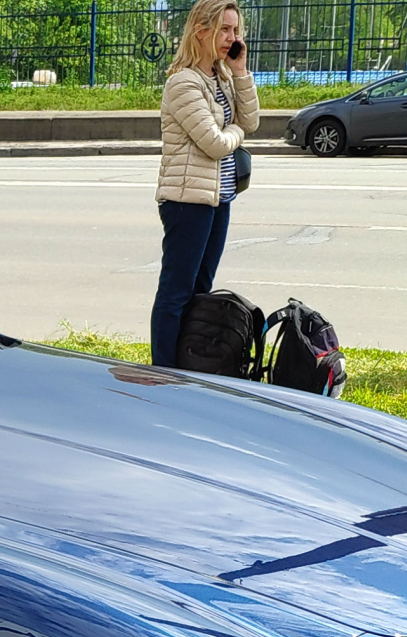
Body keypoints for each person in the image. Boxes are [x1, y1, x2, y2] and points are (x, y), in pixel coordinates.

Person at [149, 0, 259, 369]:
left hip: (218, 197)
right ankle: (164, 370)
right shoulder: (183, 83)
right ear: (202, 32)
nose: (233, 38)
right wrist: (237, 131)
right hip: (186, 200)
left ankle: (188, 363)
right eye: (225, 30)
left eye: (236, 30)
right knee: (176, 293)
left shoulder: (222, 76)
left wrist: (240, 72)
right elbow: (213, 143)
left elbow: (252, 120)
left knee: (201, 290)